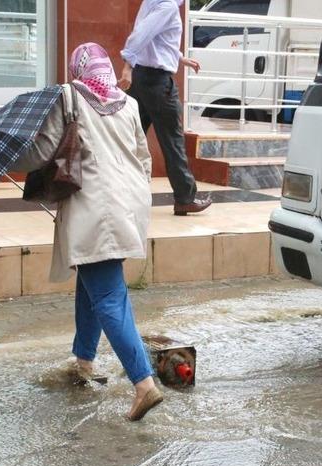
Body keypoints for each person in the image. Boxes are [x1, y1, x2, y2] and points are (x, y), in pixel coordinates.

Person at [21, 43, 162, 421]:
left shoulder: (69, 98)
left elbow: (42, 153)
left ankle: (144, 384)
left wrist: (12, 154)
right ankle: (84, 359)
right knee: (92, 285)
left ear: (77, 70)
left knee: (110, 299)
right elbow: (143, 158)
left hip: (97, 213)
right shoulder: (129, 103)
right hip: (128, 207)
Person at [118, 0, 212, 216]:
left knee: (129, 138)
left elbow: (155, 38)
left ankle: (119, 193)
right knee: (173, 141)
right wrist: (127, 65)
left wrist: (180, 58)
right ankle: (185, 198)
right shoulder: (167, 5)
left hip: (142, 79)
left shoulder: (152, 1)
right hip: (157, 82)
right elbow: (141, 34)